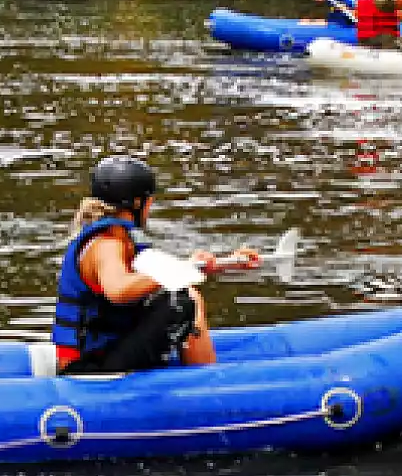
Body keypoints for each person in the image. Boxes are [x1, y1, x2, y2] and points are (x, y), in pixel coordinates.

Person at [53, 156, 261, 375]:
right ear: (136, 203)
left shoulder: (118, 237)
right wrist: (180, 270)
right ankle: (208, 383)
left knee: (184, 293)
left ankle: (202, 373)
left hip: (98, 353)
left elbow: (157, 271)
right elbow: (119, 290)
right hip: (88, 368)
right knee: (184, 300)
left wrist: (225, 263)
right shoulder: (107, 244)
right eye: (148, 201)